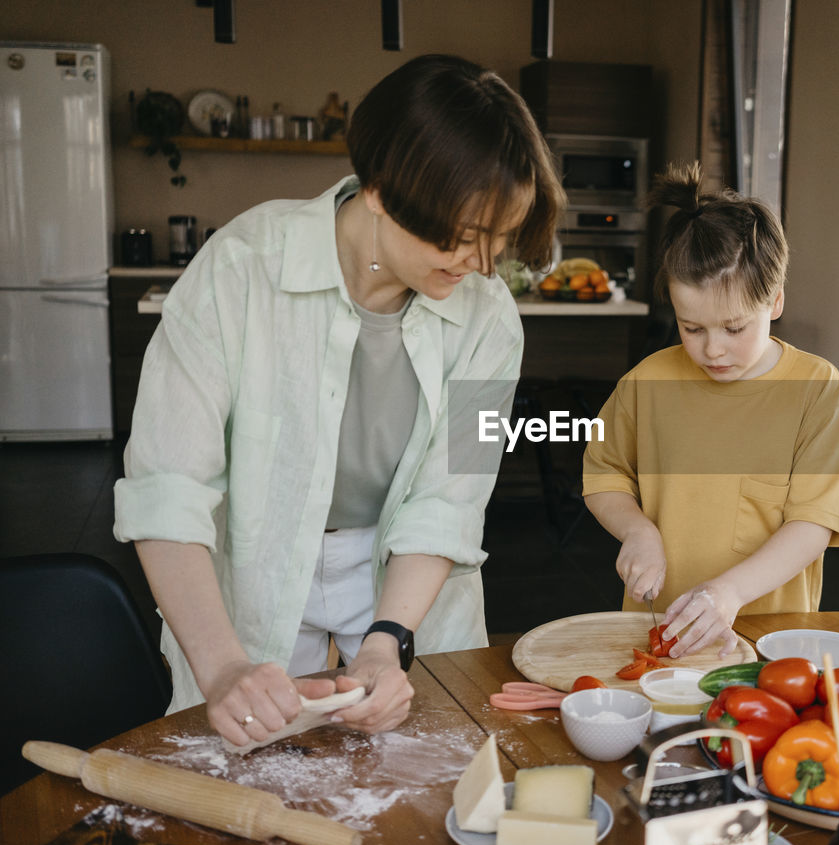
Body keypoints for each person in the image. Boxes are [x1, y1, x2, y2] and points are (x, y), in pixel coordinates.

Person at [114, 55, 564, 749]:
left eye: (499, 243)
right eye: (464, 236)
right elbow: (167, 490)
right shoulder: (239, 271)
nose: (480, 265)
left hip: (406, 576)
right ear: (381, 192)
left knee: (425, 770)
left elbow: (451, 495)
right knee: (249, 758)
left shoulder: (491, 318)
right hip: (253, 563)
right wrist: (223, 663)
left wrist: (387, 641)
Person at [582, 162, 839, 659]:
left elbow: (814, 525)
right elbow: (606, 475)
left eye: (734, 329)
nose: (712, 351)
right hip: (660, 635)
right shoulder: (646, 382)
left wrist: (726, 593)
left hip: (770, 639)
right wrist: (636, 529)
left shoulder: (816, 388)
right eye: (692, 328)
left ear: (774, 302)